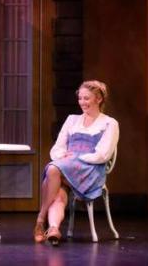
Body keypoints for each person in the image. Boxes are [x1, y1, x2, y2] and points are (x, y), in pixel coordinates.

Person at [34, 80, 120, 246]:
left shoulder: (109, 123)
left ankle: (40, 219)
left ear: (99, 99)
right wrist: (64, 156)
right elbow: (57, 149)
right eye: (80, 98)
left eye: (86, 98)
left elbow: (103, 154)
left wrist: (77, 158)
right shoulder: (72, 119)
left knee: (53, 169)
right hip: (68, 167)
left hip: (91, 169)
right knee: (57, 189)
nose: (82, 102)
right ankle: (53, 228)